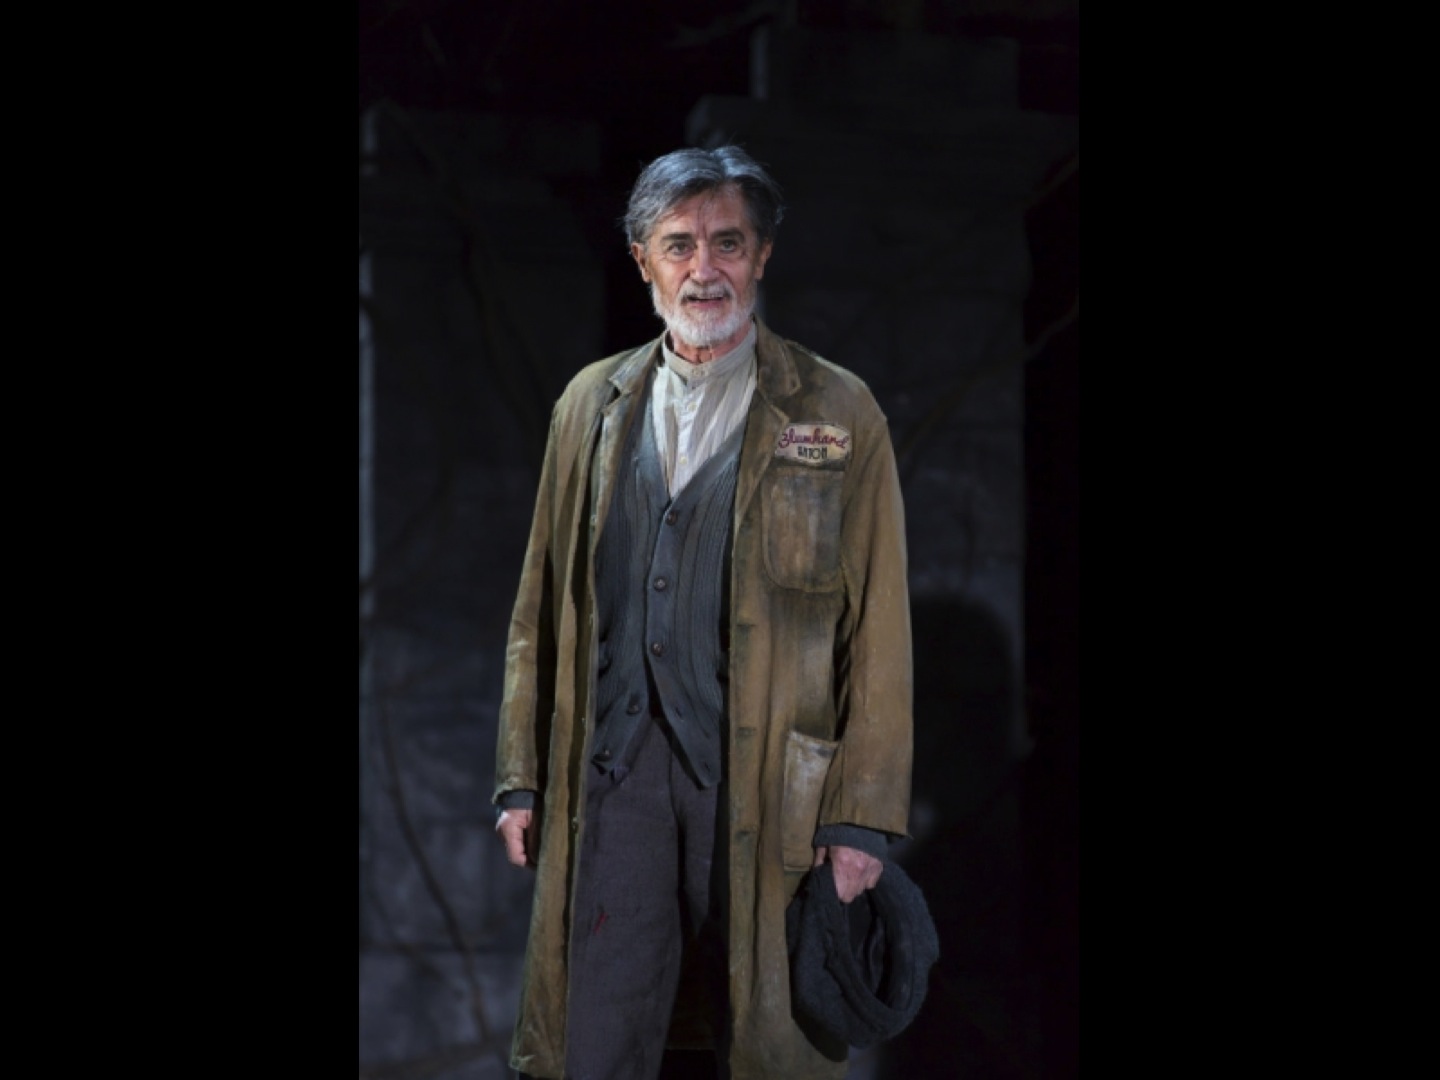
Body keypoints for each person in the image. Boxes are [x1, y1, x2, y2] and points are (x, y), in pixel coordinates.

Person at [493, 145, 913, 1080]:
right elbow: (539, 606)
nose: (704, 267)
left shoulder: (836, 408)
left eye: (728, 242)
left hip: (764, 783)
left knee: (759, 1041)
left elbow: (879, 627)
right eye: (678, 244)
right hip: (616, 772)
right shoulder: (590, 406)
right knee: (593, 1042)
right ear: (642, 259)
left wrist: (860, 820)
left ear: (761, 257)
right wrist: (521, 777)